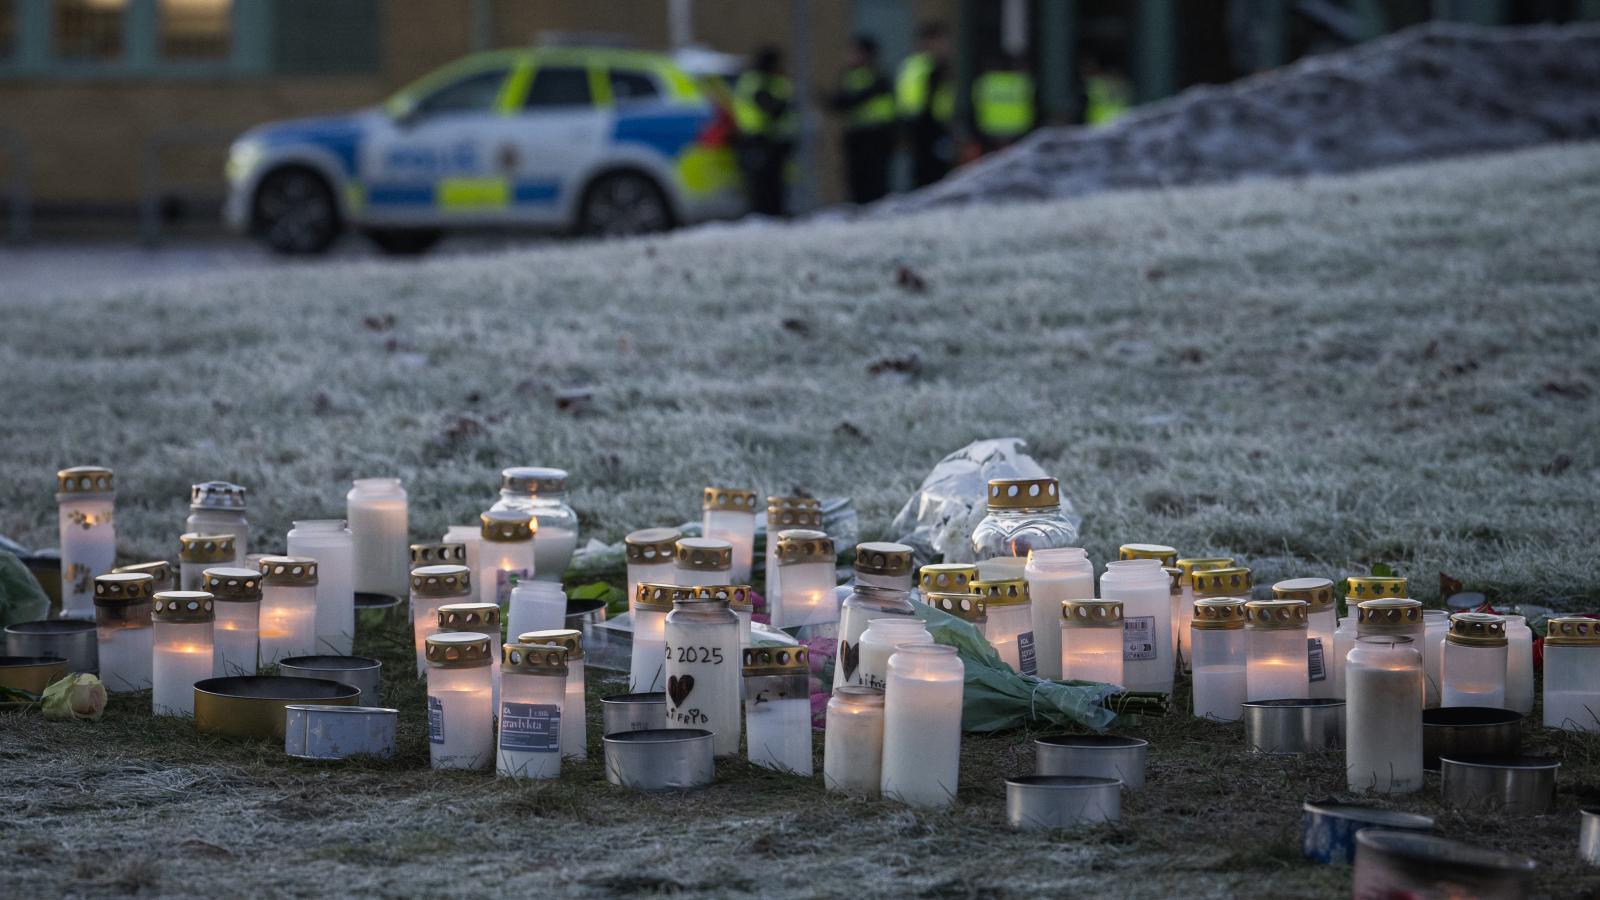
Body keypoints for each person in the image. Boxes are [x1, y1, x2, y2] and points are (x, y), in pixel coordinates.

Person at [828, 34, 896, 204]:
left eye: (855, 52)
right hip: (855, 135)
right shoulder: (848, 76)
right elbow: (839, 104)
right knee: (856, 180)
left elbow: (851, 101)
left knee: (875, 179)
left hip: (876, 135)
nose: (850, 56)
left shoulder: (879, 77)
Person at [732, 45, 796, 217]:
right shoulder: (755, 81)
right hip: (757, 138)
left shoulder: (776, 81)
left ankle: (773, 215)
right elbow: (770, 107)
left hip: (775, 139)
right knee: (762, 185)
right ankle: (766, 216)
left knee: (776, 184)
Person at [896, 21, 955, 188]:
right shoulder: (930, 67)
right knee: (930, 175)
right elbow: (926, 101)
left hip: (923, 126)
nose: (946, 47)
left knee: (927, 173)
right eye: (942, 42)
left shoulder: (915, 65)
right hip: (927, 128)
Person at [970, 53, 1035, 155]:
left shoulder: (984, 82)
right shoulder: (1021, 81)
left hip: (991, 130)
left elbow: (975, 101)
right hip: (1016, 130)